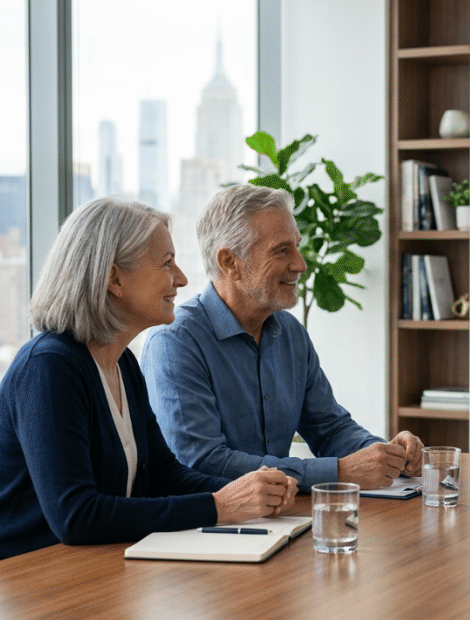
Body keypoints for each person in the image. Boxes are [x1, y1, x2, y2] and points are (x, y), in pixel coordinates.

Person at [0, 198, 298, 573]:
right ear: (114, 278)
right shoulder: (49, 368)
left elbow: (164, 475)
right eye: (166, 263)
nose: (180, 278)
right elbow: (77, 515)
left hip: (75, 571)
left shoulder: (121, 361)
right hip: (2, 582)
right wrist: (220, 506)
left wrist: (250, 491)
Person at [141, 184, 423, 490]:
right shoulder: (174, 342)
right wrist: (339, 472)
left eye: (297, 246)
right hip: (207, 528)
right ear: (230, 262)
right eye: (281, 250)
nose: (300, 264)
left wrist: (384, 453)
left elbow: (329, 429)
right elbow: (203, 462)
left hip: (281, 518)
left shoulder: (290, 333)